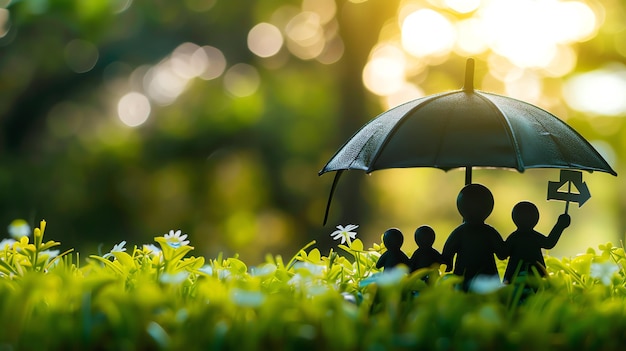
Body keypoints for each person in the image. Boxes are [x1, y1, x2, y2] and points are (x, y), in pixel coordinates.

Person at [441, 183, 507, 291]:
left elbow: (448, 250)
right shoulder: (489, 232)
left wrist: (448, 263)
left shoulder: (460, 232)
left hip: (463, 276)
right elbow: (502, 253)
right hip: (487, 276)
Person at [503, 201, 571, 283]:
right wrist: (560, 225)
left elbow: (503, 253)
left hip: (515, 274)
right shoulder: (533, 236)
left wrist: (560, 225)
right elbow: (549, 243)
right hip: (536, 272)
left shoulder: (514, 237)